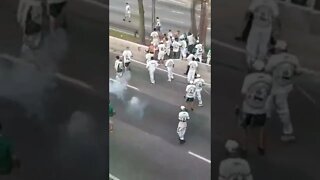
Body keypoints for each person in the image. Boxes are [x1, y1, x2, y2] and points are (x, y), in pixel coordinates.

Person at [265, 44, 300, 142]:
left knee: (283, 109)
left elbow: (267, 70)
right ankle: (264, 116)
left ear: (279, 49)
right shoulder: (294, 58)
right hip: (287, 86)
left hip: (277, 87)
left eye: (276, 49)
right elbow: (298, 71)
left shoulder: (274, 58)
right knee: (269, 101)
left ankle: (288, 132)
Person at [238, 60, 272, 155]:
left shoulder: (249, 78)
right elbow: (269, 92)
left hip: (248, 107)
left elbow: (243, 93)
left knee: (244, 127)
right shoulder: (269, 78)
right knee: (261, 127)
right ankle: (261, 146)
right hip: (262, 108)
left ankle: (244, 148)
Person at [246, 0, 279, 69]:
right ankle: (258, 61)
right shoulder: (273, 3)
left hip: (258, 26)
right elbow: (276, 16)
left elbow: (249, 11)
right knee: (262, 45)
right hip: (264, 27)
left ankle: (251, 60)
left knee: (253, 43)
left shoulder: (257, 1)